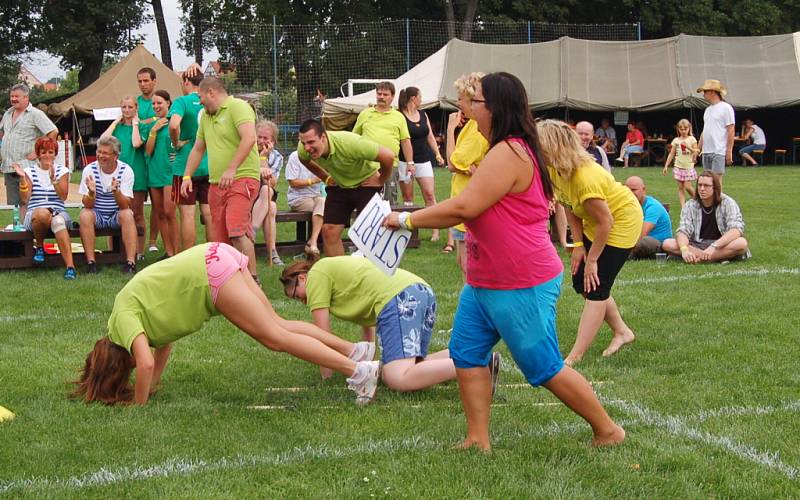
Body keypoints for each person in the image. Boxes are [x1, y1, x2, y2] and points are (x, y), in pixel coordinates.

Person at [384, 72, 625, 451]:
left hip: (521, 280)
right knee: (465, 353)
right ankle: (477, 439)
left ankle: (608, 430)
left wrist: (405, 219)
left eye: (474, 101)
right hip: (485, 281)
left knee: (542, 367)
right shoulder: (501, 148)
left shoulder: (510, 151)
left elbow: (465, 206)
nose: (467, 107)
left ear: (494, 108)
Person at [71, 242, 380, 406]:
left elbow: (147, 362)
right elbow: (163, 344)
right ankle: (355, 350)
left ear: (113, 363)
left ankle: (359, 372)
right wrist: (150, 390)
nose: (132, 371)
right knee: (278, 323)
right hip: (216, 255)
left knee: (274, 338)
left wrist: (139, 404)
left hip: (210, 273)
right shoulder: (131, 317)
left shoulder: (121, 322)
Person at [280, 256, 493, 392]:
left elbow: (321, 333)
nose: (302, 300)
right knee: (414, 366)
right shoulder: (333, 275)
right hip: (419, 291)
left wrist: (327, 376)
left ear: (302, 278)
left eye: (297, 295)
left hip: (400, 298)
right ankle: (478, 357)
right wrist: (369, 361)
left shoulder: (316, 275)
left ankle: (479, 364)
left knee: (396, 377)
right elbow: (366, 320)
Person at [537, 119, 642, 365]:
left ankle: (575, 356)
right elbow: (569, 205)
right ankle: (622, 331)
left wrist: (593, 259)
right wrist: (579, 246)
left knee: (595, 286)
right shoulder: (555, 169)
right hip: (595, 221)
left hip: (621, 222)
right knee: (581, 282)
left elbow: (607, 221)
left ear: (554, 147)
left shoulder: (586, 177)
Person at [181, 76, 261, 281]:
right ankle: (231, 280)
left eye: (200, 96)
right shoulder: (206, 117)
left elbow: (250, 138)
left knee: (236, 230)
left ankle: (253, 279)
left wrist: (231, 168)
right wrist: (187, 176)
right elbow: (198, 149)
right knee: (221, 238)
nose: (199, 101)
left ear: (211, 92)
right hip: (216, 184)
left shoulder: (239, 107)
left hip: (243, 179)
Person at [295, 119, 395, 257]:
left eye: (311, 142)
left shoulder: (350, 143)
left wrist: (380, 180)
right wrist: (326, 178)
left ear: (323, 137)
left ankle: (370, 274)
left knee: (368, 232)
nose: (306, 147)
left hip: (366, 183)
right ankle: (340, 274)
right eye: (303, 143)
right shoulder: (304, 148)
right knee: (329, 231)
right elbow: (303, 159)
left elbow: (388, 156)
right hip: (340, 185)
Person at [12, 137, 75, 279]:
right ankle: (39, 247)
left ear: (55, 154)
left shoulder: (62, 171)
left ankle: (70, 267)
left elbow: (63, 196)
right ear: (38, 154)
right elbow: (25, 199)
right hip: (35, 214)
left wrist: (55, 181)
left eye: (50, 152)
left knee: (58, 221)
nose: (47, 155)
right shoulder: (29, 171)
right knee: (41, 213)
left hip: (58, 211)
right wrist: (22, 179)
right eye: (43, 152)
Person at [446, 72, 489, 279]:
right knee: (463, 262)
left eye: (460, 98)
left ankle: (474, 310)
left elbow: (452, 163)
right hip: (464, 200)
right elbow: (460, 163)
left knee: (468, 266)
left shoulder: (474, 130)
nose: (458, 103)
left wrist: (450, 129)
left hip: (468, 204)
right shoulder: (472, 125)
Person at [77, 136, 138, 274]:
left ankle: (131, 262)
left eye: (105, 153)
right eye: (99, 152)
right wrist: (92, 193)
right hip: (96, 213)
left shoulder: (126, 171)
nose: (100, 156)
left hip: (116, 214)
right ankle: (91, 262)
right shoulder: (89, 170)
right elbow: (86, 204)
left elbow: (125, 205)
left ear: (115, 156)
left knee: (128, 214)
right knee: (85, 215)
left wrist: (116, 192)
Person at [662, 171, 749, 263]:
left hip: (721, 245)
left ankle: (699, 259)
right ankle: (714, 258)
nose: (702, 189)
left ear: (715, 188)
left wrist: (714, 246)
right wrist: (684, 250)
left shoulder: (728, 203)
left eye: (706, 186)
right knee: (667, 243)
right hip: (696, 244)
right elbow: (683, 231)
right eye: (699, 185)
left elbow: (736, 230)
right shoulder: (690, 205)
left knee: (741, 243)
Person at [1, 83, 58, 221]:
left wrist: (38, 152)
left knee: (27, 202)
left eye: (17, 96)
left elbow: (53, 131)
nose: (13, 99)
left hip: (26, 166)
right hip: (9, 166)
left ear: (26, 97)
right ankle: (19, 235)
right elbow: (4, 133)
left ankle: (28, 235)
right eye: (12, 96)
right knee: (15, 204)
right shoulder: (8, 113)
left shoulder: (35, 114)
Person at [168, 71, 212, 251]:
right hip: (209, 164)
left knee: (187, 214)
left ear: (186, 81)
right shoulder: (209, 101)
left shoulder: (181, 101)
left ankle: (187, 258)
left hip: (185, 166)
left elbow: (173, 124)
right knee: (209, 214)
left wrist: (175, 142)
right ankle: (213, 256)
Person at [100, 96, 147, 259]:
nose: (127, 110)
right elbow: (102, 140)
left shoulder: (141, 126)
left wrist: (135, 124)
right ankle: (113, 250)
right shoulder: (117, 128)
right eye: (124, 107)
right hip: (115, 173)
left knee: (137, 213)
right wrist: (115, 122)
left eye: (130, 107)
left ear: (136, 108)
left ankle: (139, 251)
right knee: (113, 211)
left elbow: (136, 143)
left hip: (137, 172)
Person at [352, 81, 413, 204]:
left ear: (392, 97)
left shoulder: (399, 117)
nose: (381, 97)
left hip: (390, 165)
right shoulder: (365, 113)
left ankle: (388, 223)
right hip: (366, 166)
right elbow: (354, 138)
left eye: (385, 94)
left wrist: (410, 163)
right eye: (379, 94)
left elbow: (405, 141)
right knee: (366, 201)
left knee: (389, 201)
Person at [397, 86, 445, 241]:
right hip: (405, 161)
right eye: (420, 96)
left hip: (423, 160)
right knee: (408, 197)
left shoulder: (423, 114)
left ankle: (435, 231)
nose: (421, 99)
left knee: (430, 196)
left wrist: (437, 154)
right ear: (413, 98)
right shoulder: (399, 116)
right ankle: (409, 232)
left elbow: (430, 136)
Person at [144, 90, 179, 258]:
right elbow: (148, 151)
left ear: (168, 103)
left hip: (171, 173)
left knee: (170, 212)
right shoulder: (153, 124)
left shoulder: (175, 121)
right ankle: (169, 252)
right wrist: (154, 131)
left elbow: (181, 143)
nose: (156, 106)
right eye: (153, 103)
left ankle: (177, 251)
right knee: (159, 213)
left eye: (159, 103)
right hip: (154, 172)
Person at [251, 120, 284, 266]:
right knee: (272, 207)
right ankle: (273, 253)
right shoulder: (247, 151)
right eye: (259, 137)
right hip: (248, 194)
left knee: (267, 190)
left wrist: (263, 158)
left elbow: (271, 182)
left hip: (264, 193)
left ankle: (252, 231)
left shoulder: (277, 156)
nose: (261, 141)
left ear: (273, 141)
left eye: (265, 138)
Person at [136, 67, 161, 253]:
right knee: (135, 206)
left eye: (146, 80)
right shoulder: (135, 103)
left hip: (156, 159)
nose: (143, 84)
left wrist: (147, 122)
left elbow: (163, 119)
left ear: (154, 81)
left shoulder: (159, 101)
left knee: (158, 205)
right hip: (138, 159)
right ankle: (137, 245)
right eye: (140, 81)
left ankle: (152, 241)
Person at [284, 151, 324, 257]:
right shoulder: (294, 156)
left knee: (323, 203)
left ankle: (312, 241)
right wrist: (312, 181)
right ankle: (313, 242)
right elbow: (292, 183)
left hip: (316, 196)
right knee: (322, 210)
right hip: (298, 198)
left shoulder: (321, 156)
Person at [624, 176, 673, 259]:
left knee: (644, 241)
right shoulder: (629, 205)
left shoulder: (652, 206)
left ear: (643, 190)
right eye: (627, 190)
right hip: (639, 242)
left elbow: (643, 234)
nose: (630, 193)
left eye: (634, 190)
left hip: (659, 245)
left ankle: (622, 255)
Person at [696, 79, 734, 185]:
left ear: (712, 92)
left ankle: (718, 202)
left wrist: (729, 151)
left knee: (716, 182)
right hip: (706, 151)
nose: (703, 95)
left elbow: (731, 129)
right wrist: (698, 149)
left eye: (705, 92)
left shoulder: (726, 108)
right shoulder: (707, 110)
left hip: (718, 150)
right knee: (707, 182)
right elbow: (705, 131)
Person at [662, 118, 698, 208]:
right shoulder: (676, 140)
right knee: (680, 187)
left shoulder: (692, 139)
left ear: (689, 128)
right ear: (678, 129)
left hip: (688, 167)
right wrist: (666, 165)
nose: (683, 131)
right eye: (681, 129)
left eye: (685, 129)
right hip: (678, 166)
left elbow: (696, 151)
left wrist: (688, 147)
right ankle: (683, 207)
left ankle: (697, 199)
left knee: (687, 186)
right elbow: (671, 153)